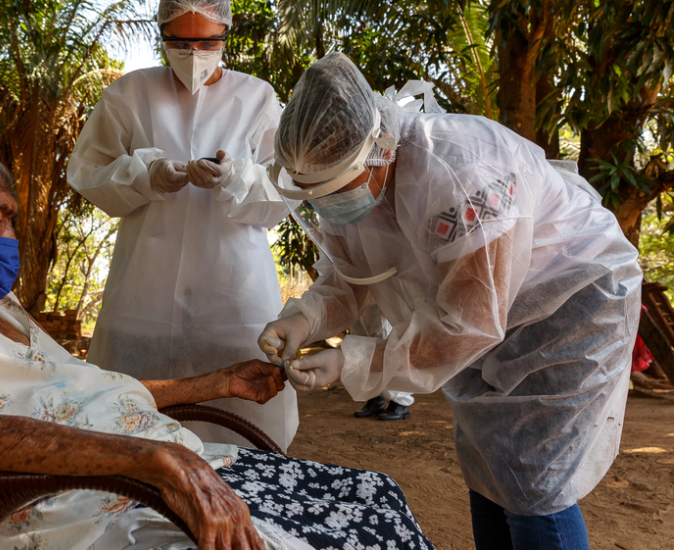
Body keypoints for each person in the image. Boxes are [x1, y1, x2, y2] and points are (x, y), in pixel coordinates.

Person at [0, 132, 434, 550]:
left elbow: (89, 390)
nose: (9, 235)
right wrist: (154, 461)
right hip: (91, 504)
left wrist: (218, 384)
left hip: (167, 465)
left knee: (373, 496)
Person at [256, 53, 642, 550]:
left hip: (570, 304)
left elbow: (468, 325)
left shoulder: (462, 173)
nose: (329, 205)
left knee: (532, 480)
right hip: (489, 314)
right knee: (489, 464)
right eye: (316, 194)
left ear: (377, 148)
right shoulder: (348, 177)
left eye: (335, 189)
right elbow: (352, 275)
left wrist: (352, 361)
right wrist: (303, 320)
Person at [67, 0, 297, 451]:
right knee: (134, 427)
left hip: (233, 298)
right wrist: (143, 176)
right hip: (143, 295)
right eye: (181, 42)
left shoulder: (257, 97)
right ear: (163, 36)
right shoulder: (129, 94)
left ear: (226, 35)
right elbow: (88, 173)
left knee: (243, 432)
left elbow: (285, 190)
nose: (194, 54)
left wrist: (237, 177)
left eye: (208, 42)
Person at [349, 303, 413, 421]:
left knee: (386, 346)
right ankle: (375, 399)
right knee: (362, 343)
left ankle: (400, 403)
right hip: (361, 296)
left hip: (381, 295)